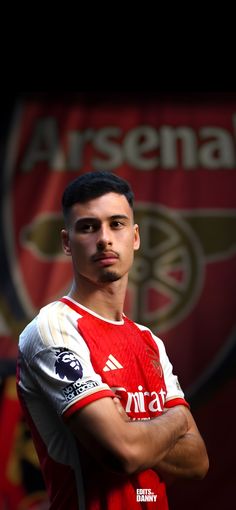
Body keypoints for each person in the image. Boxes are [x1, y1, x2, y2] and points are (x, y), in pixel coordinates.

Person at [17, 171, 209, 510]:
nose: (104, 239)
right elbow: (124, 453)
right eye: (88, 227)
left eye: (117, 224)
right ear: (66, 242)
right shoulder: (53, 329)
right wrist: (176, 420)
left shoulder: (149, 341)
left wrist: (129, 426)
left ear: (135, 237)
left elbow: (197, 461)